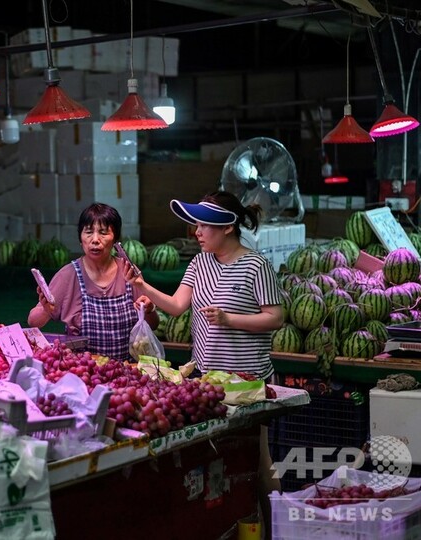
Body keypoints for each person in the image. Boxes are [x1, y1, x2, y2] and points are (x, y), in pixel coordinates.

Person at [123, 190, 283, 538]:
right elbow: (178, 305)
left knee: (259, 458)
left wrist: (229, 319)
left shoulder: (256, 266)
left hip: (248, 382)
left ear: (226, 227)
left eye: (203, 225)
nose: (196, 231)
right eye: (196, 224)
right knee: (221, 457)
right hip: (207, 380)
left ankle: (276, 528)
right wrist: (141, 284)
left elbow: (275, 317)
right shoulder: (199, 264)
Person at [27, 202, 159, 361]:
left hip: (126, 373)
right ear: (80, 238)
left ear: (115, 238)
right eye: (88, 232)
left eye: (103, 233)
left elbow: (153, 325)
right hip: (83, 372)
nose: (95, 239)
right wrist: (46, 310)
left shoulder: (129, 272)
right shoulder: (68, 275)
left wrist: (149, 310)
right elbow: (33, 322)